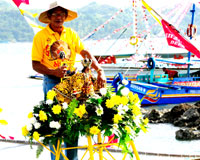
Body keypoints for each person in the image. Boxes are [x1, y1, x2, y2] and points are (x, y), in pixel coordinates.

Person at [31, 1, 106, 160]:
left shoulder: (71, 34)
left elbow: (84, 52)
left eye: (61, 14)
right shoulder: (41, 36)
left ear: (65, 16)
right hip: (52, 82)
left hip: (73, 83)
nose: (58, 17)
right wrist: (53, 71)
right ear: (49, 17)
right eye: (55, 14)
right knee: (55, 125)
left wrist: (99, 70)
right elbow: (35, 64)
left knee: (72, 123)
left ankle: (73, 158)